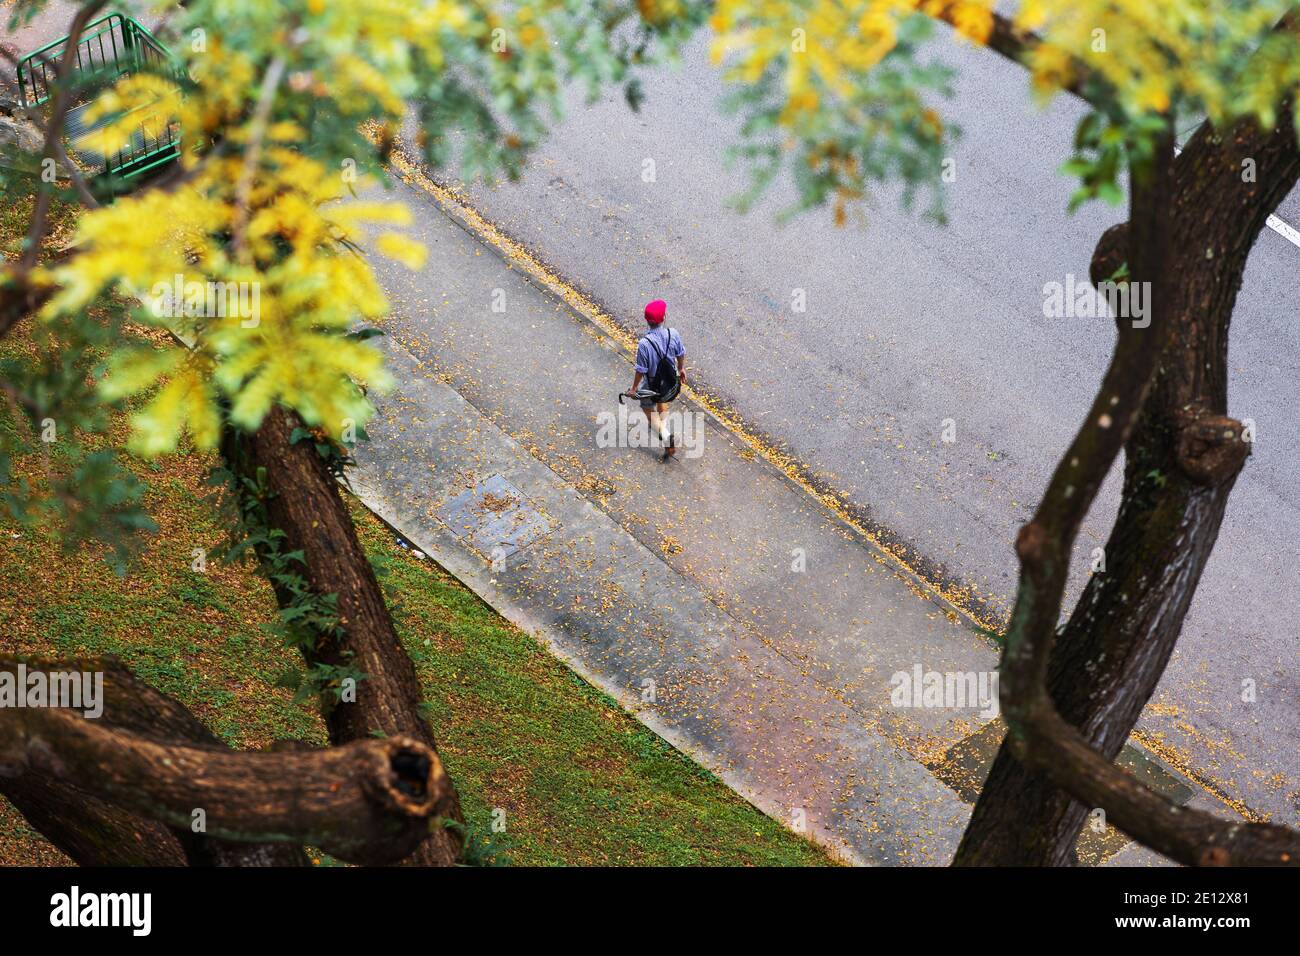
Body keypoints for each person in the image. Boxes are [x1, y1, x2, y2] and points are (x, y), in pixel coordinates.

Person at [625, 299, 686, 460]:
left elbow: (641, 370)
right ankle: (663, 430)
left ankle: (665, 435)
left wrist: (633, 389)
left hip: (653, 384)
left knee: (646, 406)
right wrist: (681, 369)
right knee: (661, 400)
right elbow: (680, 353)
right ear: (664, 317)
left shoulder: (644, 344)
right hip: (670, 383)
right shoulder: (673, 333)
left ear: (647, 320)